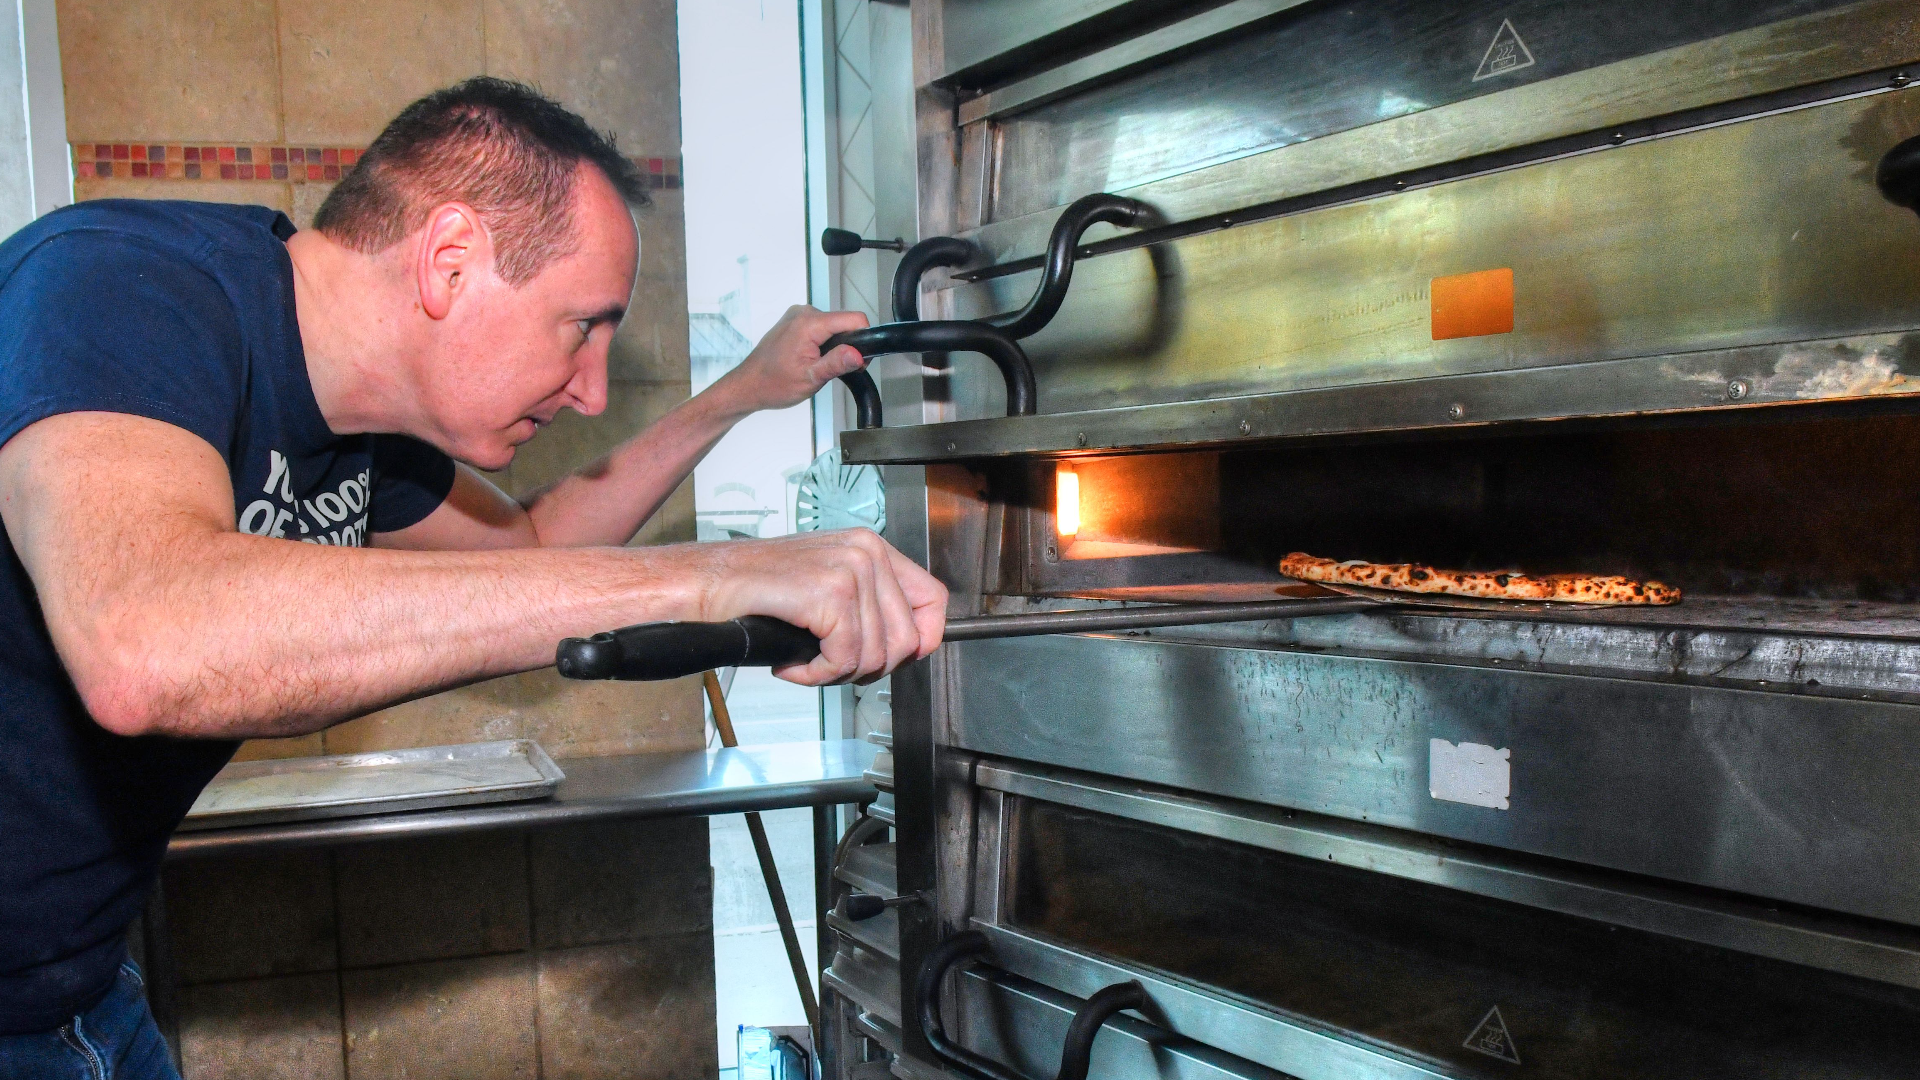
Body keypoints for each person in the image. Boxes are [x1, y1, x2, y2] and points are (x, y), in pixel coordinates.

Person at [0, 77, 944, 1077]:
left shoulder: (356, 431)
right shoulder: (118, 287)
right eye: (583, 326)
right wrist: (708, 575)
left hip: (78, 993)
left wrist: (742, 395)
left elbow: (535, 555)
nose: (590, 392)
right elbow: (147, 641)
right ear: (450, 260)